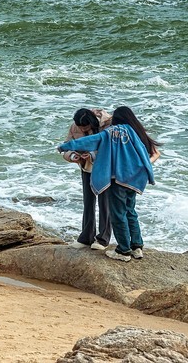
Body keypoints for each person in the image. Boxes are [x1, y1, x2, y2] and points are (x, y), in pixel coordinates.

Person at [58, 106, 160, 263]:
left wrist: (64, 147)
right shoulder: (132, 132)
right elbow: (144, 152)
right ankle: (137, 247)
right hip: (132, 179)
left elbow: (91, 141)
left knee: (117, 214)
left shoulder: (110, 131)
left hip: (115, 177)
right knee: (130, 212)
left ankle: (123, 250)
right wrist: (145, 173)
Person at [62, 108, 112, 251]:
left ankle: (103, 238)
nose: (82, 129)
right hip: (86, 167)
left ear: (92, 122)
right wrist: (72, 156)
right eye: (80, 127)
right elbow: (67, 145)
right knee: (88, 202)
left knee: (105, 203)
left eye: (85, 127)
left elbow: (110, 148)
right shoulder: (74, 127)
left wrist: (92, 155)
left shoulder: (108, 124)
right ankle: (86, 237)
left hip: (105, 168)